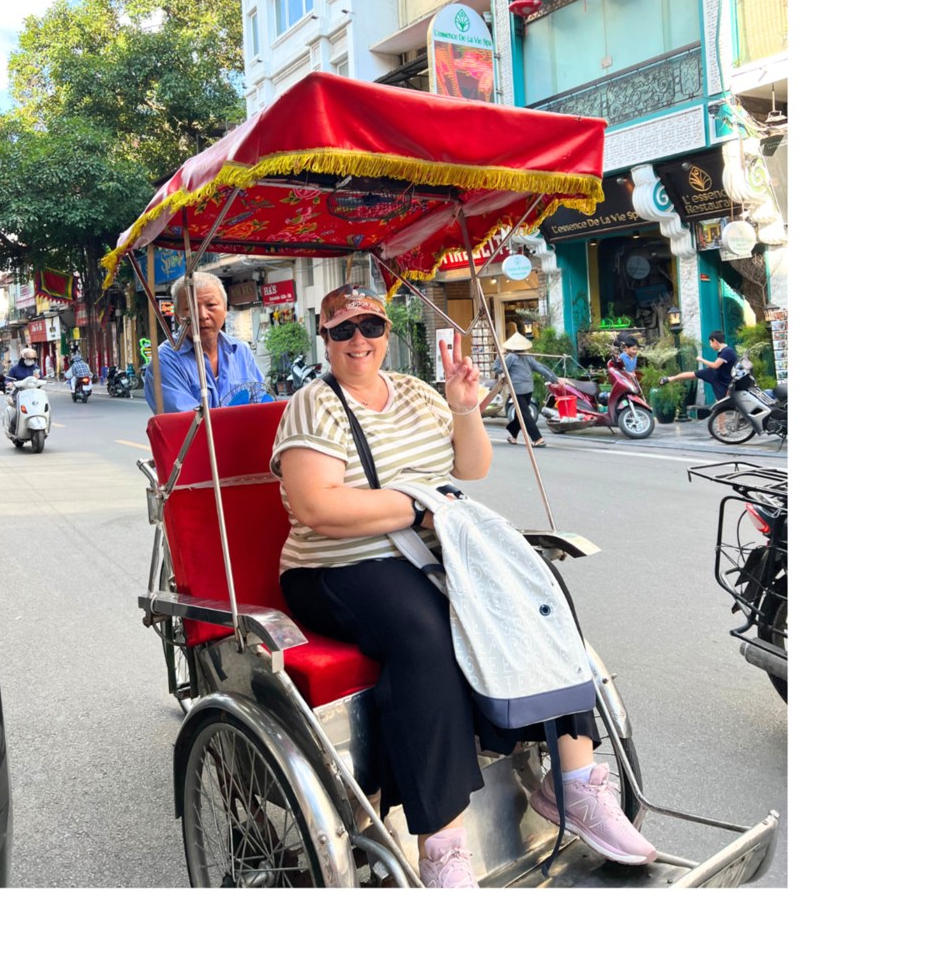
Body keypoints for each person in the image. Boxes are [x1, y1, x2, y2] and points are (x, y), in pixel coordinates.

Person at [271, 285, 653, 887]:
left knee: (538, 589)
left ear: (387, 332)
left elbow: (471, 468)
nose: (358, 340)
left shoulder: (417, 393)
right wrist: (419, 509)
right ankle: (442, 845)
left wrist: (465, 408)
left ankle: (575, 780)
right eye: (342, 330)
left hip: (433, 549)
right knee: (425, 632)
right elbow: (318, 507)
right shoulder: (313, 405)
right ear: (325, 339)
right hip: (337, 565)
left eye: (370, 326)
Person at [152, 272, 270, 412]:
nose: (202, 315)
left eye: (211, 305)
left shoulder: (240, 351)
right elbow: (187, 420)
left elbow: (261, 403)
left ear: (225, 309)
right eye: (191, 308)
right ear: (178, 316)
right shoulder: (165, 361)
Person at [500, 332, 559, 447]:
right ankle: (513, 436)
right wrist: (554, 378)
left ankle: (538, 438)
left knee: (524, 414)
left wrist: (500, 358)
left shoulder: (510, 357)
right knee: (520, 413)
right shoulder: (527, 356)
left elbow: (498, 369)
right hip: (528, 389)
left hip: (517, 390)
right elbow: (540, 368)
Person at [664, 331, 740, 417]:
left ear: (714, 341)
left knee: (720, 406)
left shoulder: (727, 351)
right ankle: (670, 379)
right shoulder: (725, 351)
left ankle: (721, 426)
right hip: (717, 376)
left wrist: (701, 359)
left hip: (721, 379)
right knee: (693, 374)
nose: (710, 345)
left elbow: (715, 365)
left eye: (710, 343)